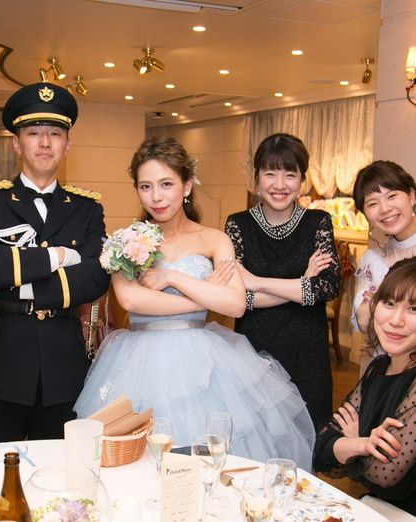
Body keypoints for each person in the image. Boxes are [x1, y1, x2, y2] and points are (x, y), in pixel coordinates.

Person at [75, 137, 315, 469]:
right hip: (137, 362)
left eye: (166, 184)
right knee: (135, 463)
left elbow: (234, 303)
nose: (156, 196)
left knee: (204, 464)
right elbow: (131, 299)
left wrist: (172, 278)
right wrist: (201, 297)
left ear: (186, 185)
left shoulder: (214, 239)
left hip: (203, 362)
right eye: (145, 186)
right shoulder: (125, 241)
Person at [0, 82, 110, 442]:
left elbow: (96, 277)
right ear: (16, 143)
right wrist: (60, 256)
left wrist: (19, 281)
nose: (44, 142)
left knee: (62, 467)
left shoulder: (86, 208)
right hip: (1, 360)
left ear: (67, 145)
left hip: (63, 363)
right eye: (33, 133)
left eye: (54, 133)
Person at [225, 133, 340, 428]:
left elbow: (327, 286)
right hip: (255, 353)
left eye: (290, 174)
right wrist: (302, 282)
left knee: (310, 436)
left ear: (302, 180)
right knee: (258, 437)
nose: (279, 185)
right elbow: (237, 298)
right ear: (257, 178)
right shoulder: (237, 224)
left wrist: (257, 282)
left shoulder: (318, 222)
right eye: (270, 173)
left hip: (307, 354)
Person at [313, 257, 416, 518]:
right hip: (382, 514)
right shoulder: (379, 367)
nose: (396, 320)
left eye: (413, 309)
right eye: (389, 303)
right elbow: (322, 452)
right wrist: (363, 444)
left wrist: (352, 443)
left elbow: (383, 475)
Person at [351, 161, 416, 336]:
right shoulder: (374, 260)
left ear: (412, 196)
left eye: (392, 196)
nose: (385, 209)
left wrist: (381, 301)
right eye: (372, 204)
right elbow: (364, 321)